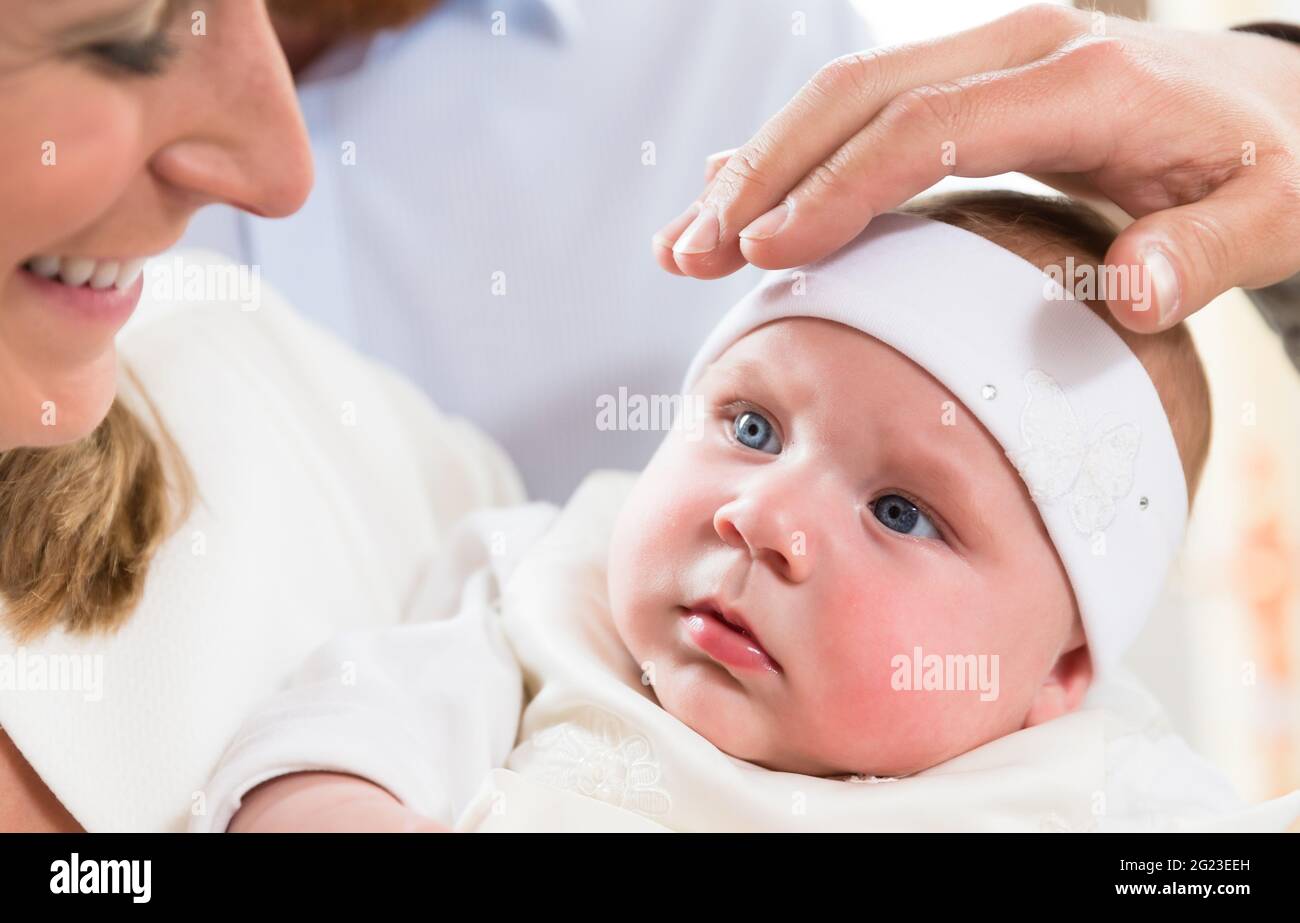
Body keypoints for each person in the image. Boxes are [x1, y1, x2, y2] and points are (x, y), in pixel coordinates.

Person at [199, 192, 1298, 832]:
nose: (761, 516)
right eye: (753, 427)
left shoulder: (1103, 793)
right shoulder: (553, 598)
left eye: (903, 511)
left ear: (1057, 672)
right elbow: (358, 719)